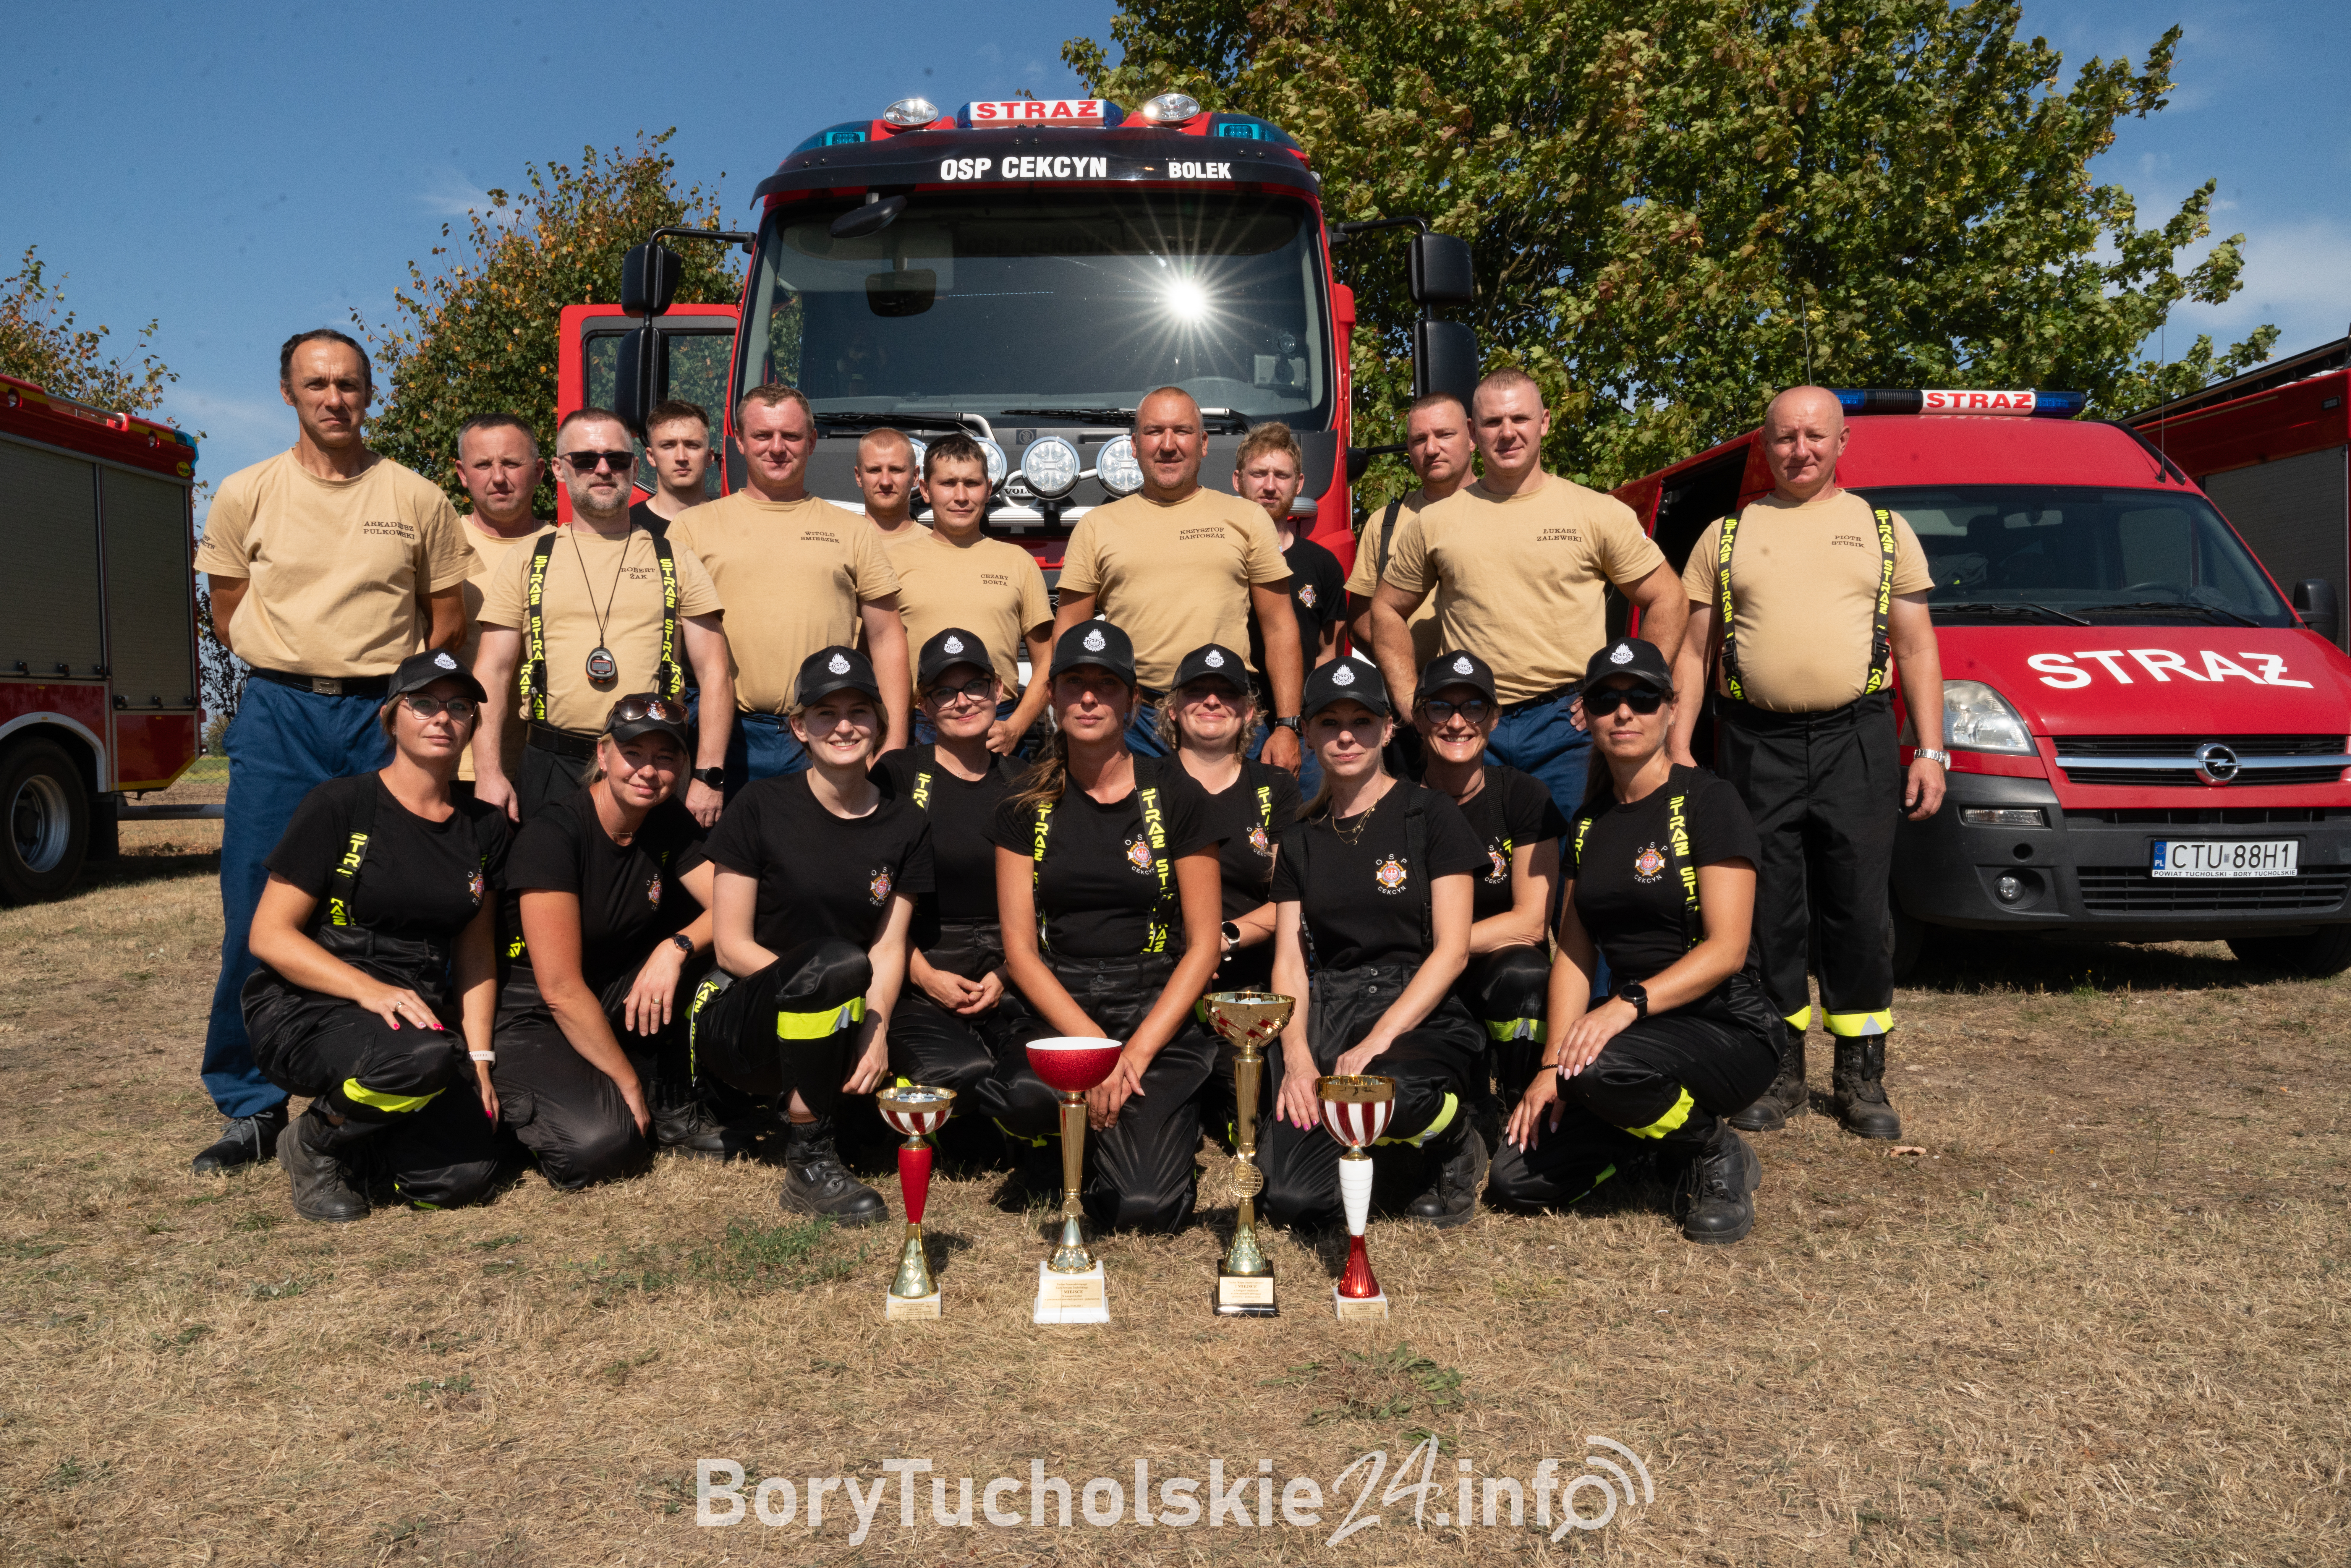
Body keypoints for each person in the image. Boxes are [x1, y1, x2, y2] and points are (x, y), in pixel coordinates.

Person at [190, 329, 475, 1175]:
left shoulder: (418, 498)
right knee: (257, 906)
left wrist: (385, 696)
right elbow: (227, 609)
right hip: (280, 715)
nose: (334, 399)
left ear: (369, 393)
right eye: (317, 384)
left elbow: (447, 618)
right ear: (289, 394)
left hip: (377, 717)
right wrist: (297, 660)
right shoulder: (246, 493)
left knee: (381, 907)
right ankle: (249, 1101)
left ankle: (391, 1075)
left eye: (349, 384)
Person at [1670, 385, 1946, 1140]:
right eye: (1786, 436)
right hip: (1754, 742)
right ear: (1765, 443)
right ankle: (1778, 1069)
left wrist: (1929, 748)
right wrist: (1677, 749)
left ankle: (1862, 1078)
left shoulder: (1885, 531)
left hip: (1858, 738)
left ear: (1842, 441)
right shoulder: (1724, 536)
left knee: (1858, 907)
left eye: (1816, 436)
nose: (1801, 449)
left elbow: (1919, 647)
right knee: (1767, 912)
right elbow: (1694, 654)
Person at [1490, 638, 1778, 1245]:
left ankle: (1714, 1150)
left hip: (1728, 1023)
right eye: (1606, 700)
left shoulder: (1708, 800)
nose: (1625, 714)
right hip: (1636, 1038)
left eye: (1643, 698)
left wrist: (1624, 1006)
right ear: (1585, 714)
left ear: (1671, 710)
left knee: (1602, 1070)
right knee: (1515, 1179)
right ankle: (1652, 1139)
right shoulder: (1588, 823)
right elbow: (1571, 952)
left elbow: (1727, 949)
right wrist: (1549, 1068)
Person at [240, 651, 507, 1221]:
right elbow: (268, 935)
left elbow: (477, 951)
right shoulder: (342, 804)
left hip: (416, 1013)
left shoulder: (486, 826)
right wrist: (369, 990)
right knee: (421, 1059)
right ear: (391, 717)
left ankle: (372, 1139)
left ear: (473, 726)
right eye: (425, 703)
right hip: (314, 1002)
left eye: (459, 707)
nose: (443, 718)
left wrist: (480, 1058)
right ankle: (315, 1139)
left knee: (462, 1178)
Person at [987, 621, 1227, 1231]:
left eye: (1106, 684)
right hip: (1061, 1003)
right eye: (1074, 684)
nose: (1089, 698)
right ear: (1052, 696)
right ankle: (1064, 1144)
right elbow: (1019, 952)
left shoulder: (1175, 793)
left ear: (1133, 701)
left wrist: (1133, 1054)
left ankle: (1153, 1135)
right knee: (1022, 1097)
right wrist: (1095, 1055)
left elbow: (1203, 946)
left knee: (1146, 1210)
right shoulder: (1024, 801)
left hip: (1152, 1008)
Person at [1369, 368, 1690, 815]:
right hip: (1471, 725)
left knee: (1567, 871)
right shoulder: (1434, 522)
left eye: (1520, 419)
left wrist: (1628, 690)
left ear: (1545, 422)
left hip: (1570, 727)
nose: (1507, 433)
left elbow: (1669, 598)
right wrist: (1411, 703)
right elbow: (1384, 611)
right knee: (1470, 873)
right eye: (1492, 423)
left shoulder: (1597, 513)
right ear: (1473, 433)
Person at [690, 645, 932, 1221]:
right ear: (799, 726)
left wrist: (873, 1029)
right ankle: (807, 1163)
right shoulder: (759, 804)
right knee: (834, 964)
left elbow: (889, 945)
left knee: (938, 1078)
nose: (843, 726)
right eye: (826, 713)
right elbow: (730, 945)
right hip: (741, 1016)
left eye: (858, 712)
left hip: (843, 1008)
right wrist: (824, 985)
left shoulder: (908, 823)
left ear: (881, 723)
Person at [1258, 657, 1493, 1230]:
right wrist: (1297, 1061)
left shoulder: (1429, 813)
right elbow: (1289, 961)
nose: (1345, 735)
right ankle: (1387, 1159)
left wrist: (1381, 1037)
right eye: (1329, 722)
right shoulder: (1299, 839)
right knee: (1293, 1202)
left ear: (1389, 729)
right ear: (1307, 734)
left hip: (1414, 1006)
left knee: (1392, 1095)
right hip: (1330, 1007)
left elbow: (1453, 950)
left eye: (1361, 720)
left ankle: (1456, 1136)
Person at [492, 693, 721, 1186]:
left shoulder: (666, 819)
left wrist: (674, 948)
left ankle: (677, 1097)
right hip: (534, 1011)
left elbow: (731, 908)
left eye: (666, 758)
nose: (648, 770)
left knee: (721, 959)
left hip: (610, 989)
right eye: (634, 753)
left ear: (682, 765)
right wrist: (628, 1082)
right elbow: (558, 988)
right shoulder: (552, 834)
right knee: (604, 1148)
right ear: (603, 755)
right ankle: (507, 1113)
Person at [473, 408, 733, 826]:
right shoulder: (529, 558)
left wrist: (708, 776)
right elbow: (493, 671)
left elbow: (717, 672)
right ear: (559, 469)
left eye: (617, 459)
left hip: (649, 768)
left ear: (634, 466)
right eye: (585, 460)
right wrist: (488, 772)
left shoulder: (676, 558)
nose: (602, 469)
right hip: (550, 765)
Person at [668, 385, 911, 787]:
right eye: (763, 436)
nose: (777, 448)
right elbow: (668, 648)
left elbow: (886, 638)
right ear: (740, 442)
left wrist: (895, 740)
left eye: (792, 436)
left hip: (829, 738)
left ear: (812, 442)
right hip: (726, 740)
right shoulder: (692, 528)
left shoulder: (854, 532)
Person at [1052, 387, 1303, 771]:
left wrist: (1287, 725)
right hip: (1135, 725)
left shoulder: (1248, 519)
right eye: (1154, 432)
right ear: (1134, 445)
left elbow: (1280, 627)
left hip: (1227, 716)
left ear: (1203, 444)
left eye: (1182, 431)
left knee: (1241, 832)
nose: (1168, 445)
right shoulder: (1096, 527)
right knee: (1136, 832)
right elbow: (1069, 633)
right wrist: (1064, 722)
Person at [868, 629, 1050, 1155]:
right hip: (921, 958)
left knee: (1035, 1084)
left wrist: (1006, 971)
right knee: (960, 1073)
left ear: (999, 689)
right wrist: (922, 974)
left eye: (974, 684)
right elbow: (873, 895)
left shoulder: (1030, 779)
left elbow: (1047, 897)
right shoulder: (899, 774)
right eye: (944, 692)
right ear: (923, 704)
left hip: (1012, 962)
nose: (962, 699)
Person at [1161, 642, 1303, 1147]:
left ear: (1249, 712)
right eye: (1197, 691)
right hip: (1164, 977)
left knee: (1258, 1108)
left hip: (1248, 977)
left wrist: (1226, 937)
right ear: (1172, 709)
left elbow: (1294, 898)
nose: (1212, 701)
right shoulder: (1144, 782)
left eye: (1228, 694)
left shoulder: (1274, 788)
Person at [1413, 649, 1567, 1107]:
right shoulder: (1396, 800)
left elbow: (1530, 924)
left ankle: (1522, 1101)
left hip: (1493, 970)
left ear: (1495, 719)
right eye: (1441, 707)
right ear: (1418, 719)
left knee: (1527, 971)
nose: (1457, 723)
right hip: (1419, 975)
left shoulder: (1522, 795)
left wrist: (1442, 946)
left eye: (1473, 707)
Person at [887, 434, 1054, 753]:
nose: (961, 496)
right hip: (918, 728)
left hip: (998, 727)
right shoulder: (891, 564)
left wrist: (1016, 728)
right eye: (948, 483)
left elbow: (1047, 661)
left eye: (972, 483)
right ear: (924, 490)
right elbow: (873, 658)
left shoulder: (1018, 562)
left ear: (988, 489)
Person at [449, 413, 551, 798]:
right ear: (462, 473)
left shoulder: (568, 548)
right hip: (452, 771)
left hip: (545, 770)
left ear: (540, 471)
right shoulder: (439, 548)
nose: (498, 478)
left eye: (511, 463)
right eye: (482, 465)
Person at [1346, 392, 1475, 677]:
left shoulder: (1502, 510)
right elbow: (1359, 622)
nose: (1431, 449)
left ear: (1472, 436)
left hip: (1500, 698)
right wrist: (1405, 675)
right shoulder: (1384, 523)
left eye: (1444, 435)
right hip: (1416, 702)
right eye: (1419, 439)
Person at [1235, 422, 1344, 672]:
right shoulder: (1220, 559)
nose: (1271, 486)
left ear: (1299, 484)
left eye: (1282, 476)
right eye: (1259, 474)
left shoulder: (1324, 566)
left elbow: (1330, 656)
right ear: (1238, 481)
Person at [630, 399, 716, 537]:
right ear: (651, 457)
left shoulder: (732, 523)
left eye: (692, 445)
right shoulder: (628, 527)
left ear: (709, 457)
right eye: (668, 446)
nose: (681, 457)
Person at [852, 427, 927, 564]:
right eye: (874, 470)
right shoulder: (838, 546)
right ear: (859, 477)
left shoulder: (938, 547)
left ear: (915, 476)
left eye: (896, 470)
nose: (886, 482)